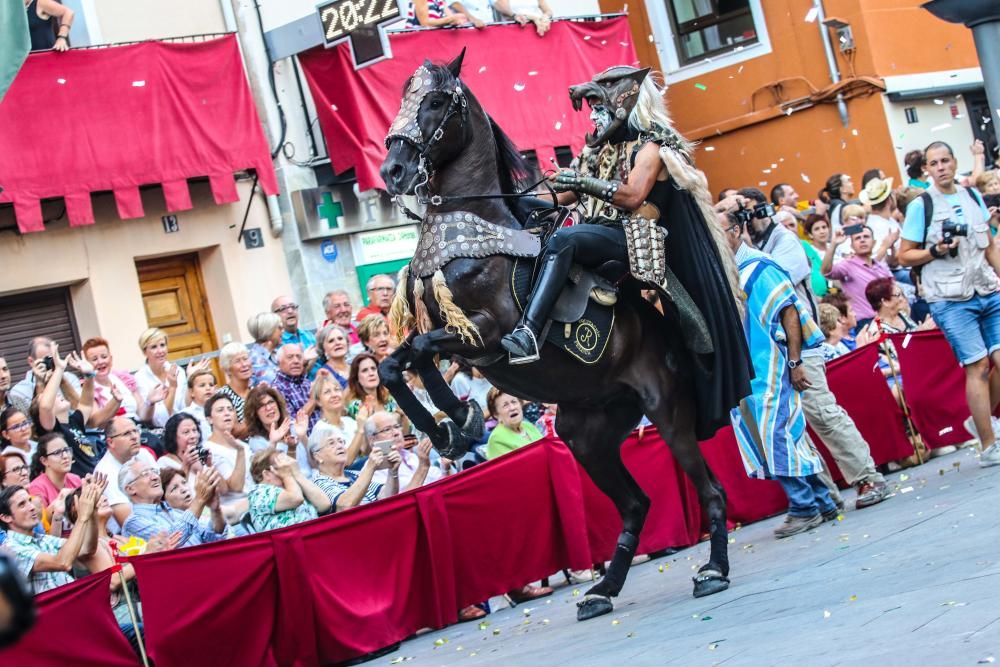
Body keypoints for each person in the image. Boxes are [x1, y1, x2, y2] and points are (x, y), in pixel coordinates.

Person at [501, 66, 750, 441]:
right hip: (599, 236)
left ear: (625, 105)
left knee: (565, 241)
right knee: (545, 244)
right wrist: (508, 199)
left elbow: (633, 195)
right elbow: (558, 198)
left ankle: (529, 332)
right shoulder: (596, 151)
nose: (594, 117)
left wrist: (583, 181)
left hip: (633, 239)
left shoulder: (653, 147)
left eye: (599, 108)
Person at [720, 212, 838, 538]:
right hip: (749, 368)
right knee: (778, 436)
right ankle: (823, 500)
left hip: (772, 363)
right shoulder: (727, 270)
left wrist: (795, 363)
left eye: (721, 230)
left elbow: (790, 312)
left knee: (775, 436)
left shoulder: (760, 266)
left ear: (738, 230)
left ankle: (804, 507)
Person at [898, 141, 1000, 466]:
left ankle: (980, 420)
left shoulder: (972, 196)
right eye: (934, 162)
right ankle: (988, 446)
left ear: (955, 163)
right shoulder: (921, 206)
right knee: (979, 366)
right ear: (926, 169)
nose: (940, 167)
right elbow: (904, 254)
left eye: (945, 160)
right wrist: (935, 251)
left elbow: (990, 245)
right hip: (949, 297)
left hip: (986, 288)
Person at [0, 475, 101, 594]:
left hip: (72, 601)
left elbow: (86, 549)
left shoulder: (42, 539)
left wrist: (92, 510)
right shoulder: (10, 549)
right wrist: (82, 518)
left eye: (30, 501)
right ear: (6, 517)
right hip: (53, 610)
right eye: (22, 504)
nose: (32, 507)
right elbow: (63, 562)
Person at [119, 457, 226, 547]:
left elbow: (213, 539)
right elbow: (171, 540)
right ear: (131, 489)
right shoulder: (133, 522)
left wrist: (215, 510)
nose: (155, 477)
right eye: (145, 473)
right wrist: (199, 500)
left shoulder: (176, 512)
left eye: (154, 471)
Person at [33, 344, 102, 477]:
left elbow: (86, 405)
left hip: (98, 473)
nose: (57, 395)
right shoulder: (53, 430)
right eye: (51, 397)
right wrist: (59, 368)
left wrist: (89, 375)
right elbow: (45, 406)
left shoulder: (72, 422)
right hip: (83, 483)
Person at [310, 422, 400, 511]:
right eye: (331, 443)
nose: (340, 446)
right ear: (318, 456)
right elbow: (345, 506)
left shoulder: (355, 474)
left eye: (341, 441)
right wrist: (370, 468)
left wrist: (393, 472)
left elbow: (387, 496)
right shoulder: (318, 482)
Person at [821, 224, 896, 326]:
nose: (862, 240)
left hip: (889, 318)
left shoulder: (881, 266)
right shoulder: (848, 265)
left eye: (866, 237)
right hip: (865, 322)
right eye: (857, 238)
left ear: (874, 242)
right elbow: (826, 271)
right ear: (852, 246)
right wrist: (834, 244)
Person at [298, 370, 366, 476]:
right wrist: (361, 429)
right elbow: (346, 462)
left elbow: (364, 450)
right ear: (319, 401)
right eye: (327, 392)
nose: (334, 395)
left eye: (337, 390)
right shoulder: (321, 429)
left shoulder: (350, 421)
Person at [94, 415, 157, 527]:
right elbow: (128, 522)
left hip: (157, 518)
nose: (134, 437)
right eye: (126, 434)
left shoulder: (144, 455)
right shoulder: (105, 472)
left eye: (135, 431)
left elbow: (163, 491)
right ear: (110, 442)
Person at [247, 448, 330, 531]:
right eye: (283, 467)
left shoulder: (293, 486)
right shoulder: (258, 493)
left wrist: (297, 474)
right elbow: (295, 499)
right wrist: (287, 475)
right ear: (267, 474)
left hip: (312, 536)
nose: (289, 470)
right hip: (288, 542)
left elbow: (324, 505)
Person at [202, 393, 253, 518]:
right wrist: (240, 452)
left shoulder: (244, 445)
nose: (227, 413)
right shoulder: (208, 450)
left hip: (254, 502)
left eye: (230, 409)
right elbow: (236, 487)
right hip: (234, 512)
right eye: (220, 410)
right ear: (209, 419)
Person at [82, 338, 152, 425]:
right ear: (86, 363)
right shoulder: (88, 388)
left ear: (110, 359)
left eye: (104, 357)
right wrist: (115, 401)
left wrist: (151, 402)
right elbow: (95, 422)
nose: (100, 362)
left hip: (137, 428)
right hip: (112, 434)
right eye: (94, 359)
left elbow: (143, 415)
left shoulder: (123, 378)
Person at [8, 337, 82, 418]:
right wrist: (40, 383)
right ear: (31, 361)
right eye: (47, 359)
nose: (51, 363)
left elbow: (81, 411)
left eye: (53, 358)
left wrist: (61, 378)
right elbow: (37, 422)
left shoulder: (70, 378)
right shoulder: (19, 391)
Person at [27, 433, 82, 535]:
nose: (65, 456)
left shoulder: (75, 479)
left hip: (80, 536)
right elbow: (41, 524)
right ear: (44, 461)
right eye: (57, 453)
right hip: (57, 543)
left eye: (66, 450)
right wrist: (61, 500)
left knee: (121, 546)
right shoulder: (37, 487)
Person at [134, 328, 189, 428]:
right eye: (154, 347)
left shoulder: (178, 371)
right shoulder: (140, 378)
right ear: (145, 352)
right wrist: (172, 387)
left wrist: (192, 380)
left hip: (185, 425)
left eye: (162, 345)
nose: (160, 351)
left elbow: (185, 406)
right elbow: (161, 420)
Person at [484, 388, 542, 459]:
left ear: (520, 404)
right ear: (496, 414)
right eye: (505, 405)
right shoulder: (497, 439)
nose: (512, 408)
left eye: (514, 402)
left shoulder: (528, 426)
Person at [244, 385, 295, 456]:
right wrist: (273, 443)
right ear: (255, 414)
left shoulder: (293, 427)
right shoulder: (256, 441)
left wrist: (303, 436)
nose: (268, 408)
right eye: (261, 405)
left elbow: (313, 462)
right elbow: (270, 466)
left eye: (271, 402)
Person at [215, 342, 254, 426]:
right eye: (237, 361)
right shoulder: (223, 396)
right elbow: (234, 432)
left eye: (245, 359)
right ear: (228, 369)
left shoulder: (256, 390)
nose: (244, 364)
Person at [272, 344, 312, 423]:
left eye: (299, 357)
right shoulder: (276, 389)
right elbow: (292, 423)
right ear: (279, 362)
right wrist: (313, 400)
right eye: (290, 357)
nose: (296, 361)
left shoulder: (307, 383)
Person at [246, 312, 283, 388]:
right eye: (279, 327)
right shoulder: (253, 360)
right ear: (269, 331)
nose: (283, 330)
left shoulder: (277, 353)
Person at [802, 214, 831, 297]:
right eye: (817, 229)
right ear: (810, 234)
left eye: (824, 227)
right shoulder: (809, 252)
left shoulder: (836, 247)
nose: (822, 231)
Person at [184, 367, 217, 439]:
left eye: (211, 385)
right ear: (191, 392)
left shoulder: (223, 411)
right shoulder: (185, 415)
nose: (208, 388)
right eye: (202, 385)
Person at [407, 0, 472, 27]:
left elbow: (451, 18)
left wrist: (458, 20)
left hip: (435, 39)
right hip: (419, 42)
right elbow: (425, 23)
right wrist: (451, 19)